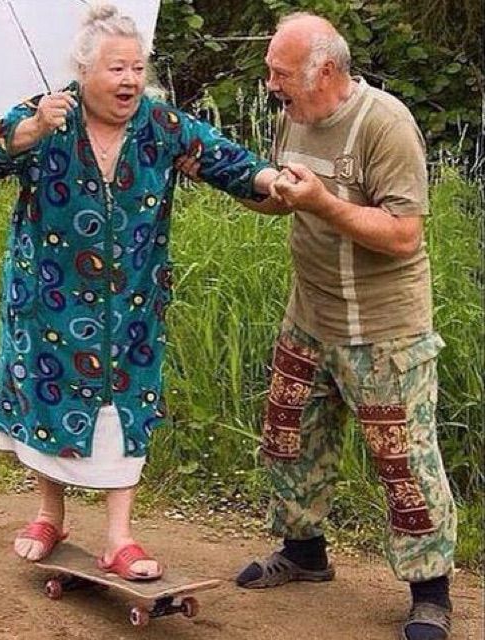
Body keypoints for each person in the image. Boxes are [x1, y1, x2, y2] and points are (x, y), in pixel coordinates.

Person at [0, 4, 278, 581]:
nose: (130, 79)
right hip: (49, 297)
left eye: (137, 67)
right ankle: (49, 514)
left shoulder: (161, 125)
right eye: (116, 69)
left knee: (123, 407)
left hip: (132, 301)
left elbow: (227, 160)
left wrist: (275, 181)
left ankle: (119, 537)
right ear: (84, 71)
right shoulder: (47, 114)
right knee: (47, 398)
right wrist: (32, 129)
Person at [176, 11, 456, 640]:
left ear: (324, 70)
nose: (271, 84)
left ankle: (431, 594)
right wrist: (220, 177)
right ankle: (304, 553)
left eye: (281, 74)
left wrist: (324, 203)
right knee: (290, 438)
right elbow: (281, 200)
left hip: (383, 330)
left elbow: (405, 235)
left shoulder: (384, 125)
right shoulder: (294, 116)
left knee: (403, 461)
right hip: (308, 317)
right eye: (271, 72)